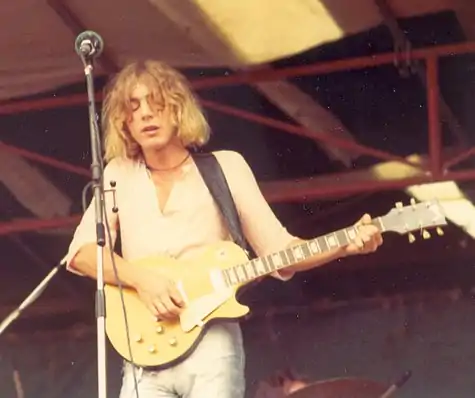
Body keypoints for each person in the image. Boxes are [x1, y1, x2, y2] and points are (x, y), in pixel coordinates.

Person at [63, 60, 383, 398]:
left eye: (155, 102)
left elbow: (280, 253)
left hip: (211, 346)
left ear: (177, 109)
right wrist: (143, 280)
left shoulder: (226, 167)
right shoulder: (118, 174)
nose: (144, 114)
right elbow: (82, 254)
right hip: (144, 351)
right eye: (133, 107)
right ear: (124, 122)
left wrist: (345, 243)